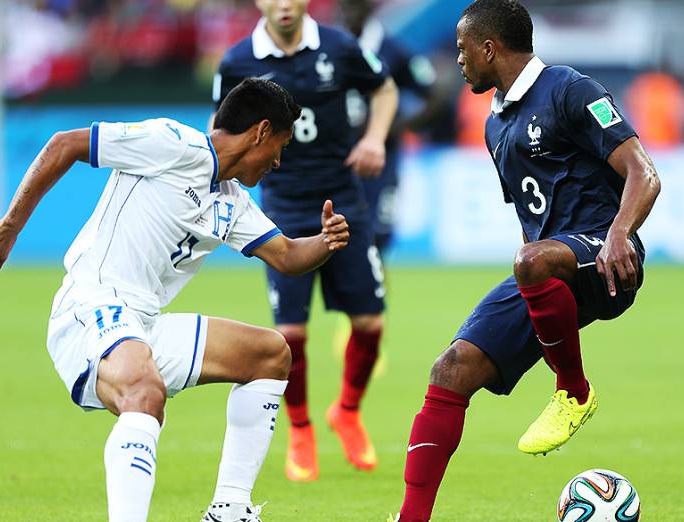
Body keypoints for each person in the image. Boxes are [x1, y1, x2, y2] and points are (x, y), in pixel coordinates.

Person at [0, 78, 352, 522]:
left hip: (143, 324)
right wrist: (11, 225)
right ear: (261, 132)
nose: (278, 162)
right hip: (91, 306)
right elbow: (66, 144)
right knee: (144, 390)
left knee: (269, 353)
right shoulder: (171, 143)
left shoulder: (231, 201)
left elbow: (286, 255)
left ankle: (230, 509)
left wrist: (325, 241)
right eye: (280, 146)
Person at [389, 1, 661, 520]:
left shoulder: (570, 90)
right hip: (545, 268)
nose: (459, 60)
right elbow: (529, 222)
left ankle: (573, 392)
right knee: (450, 369)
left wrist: (619, 234)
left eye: (464, 49)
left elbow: (643, 173)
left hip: (606, 259)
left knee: (530, 261)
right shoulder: (495, 125)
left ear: (490, 48)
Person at [214, 0, 398, 481]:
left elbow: (384, 89)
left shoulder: (338, 47)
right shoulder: (237, 61)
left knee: (370, 323)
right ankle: (300, 429)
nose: (284, 4)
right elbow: (222, 133)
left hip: (345, 202)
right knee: (291, 333)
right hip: (283, 207)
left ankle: (348, 412)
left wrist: (376, 138)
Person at [339, 0, 436, 255]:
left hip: (381, 159)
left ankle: (370, 290)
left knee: (378, 232)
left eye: (353, 7)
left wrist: (397, 127)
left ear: (368, 8)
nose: (348, 13)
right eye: (343, 7)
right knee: (340, 233)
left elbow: (434, 95)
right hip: (338, 155)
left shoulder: (394, 51)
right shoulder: (333, 47)